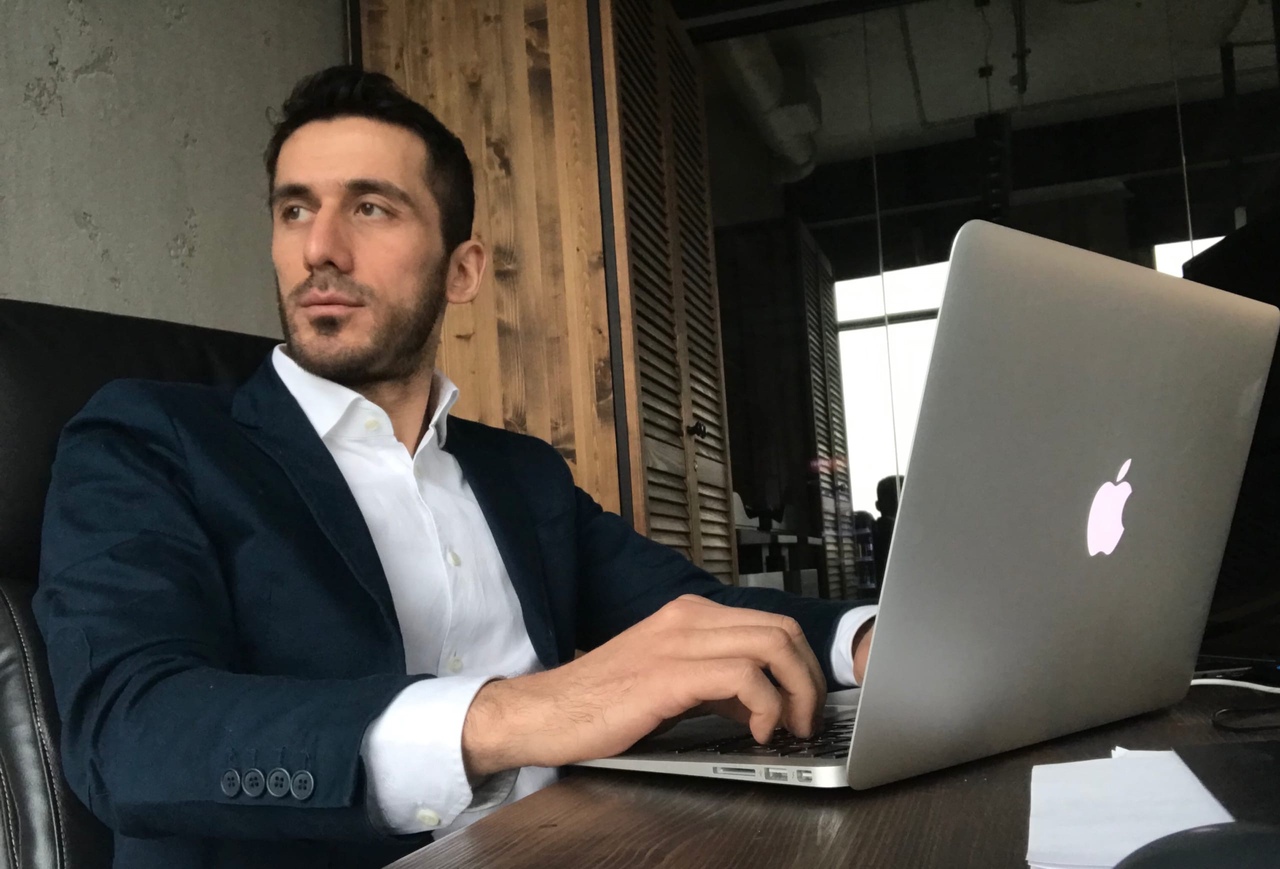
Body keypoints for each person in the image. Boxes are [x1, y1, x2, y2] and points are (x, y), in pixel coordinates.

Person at [34, 66, 877, 869]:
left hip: (584, 842)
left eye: (370, 207)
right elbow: (127, 734)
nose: (320, 247)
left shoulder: (522, 474)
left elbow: (693, 615)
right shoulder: (151, 438)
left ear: (462, 269)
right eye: (295, 210)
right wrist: (518, 713)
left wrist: (868, 641)